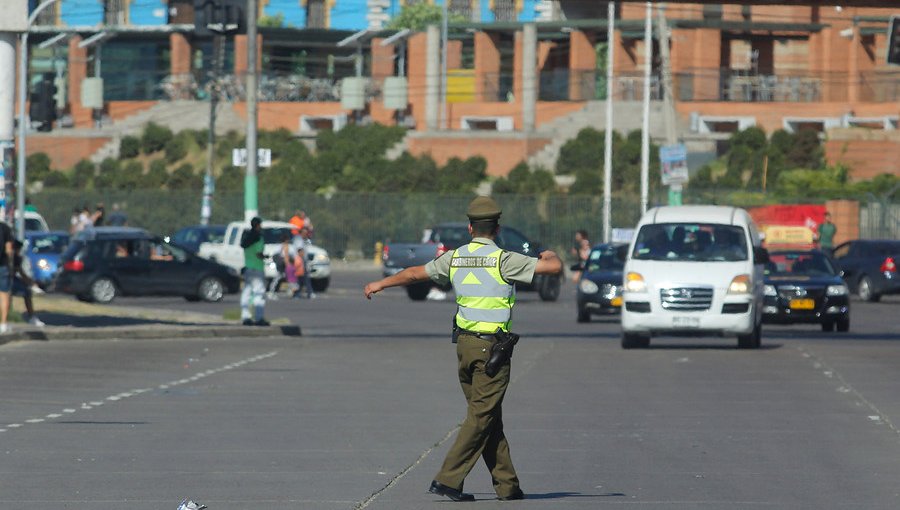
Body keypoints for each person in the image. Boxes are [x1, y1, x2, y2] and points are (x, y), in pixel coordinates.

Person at [364, 196, 562, 502]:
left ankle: (507, 485)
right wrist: (548, 252)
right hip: (492, 349)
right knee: (481, 417)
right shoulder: (503, 259)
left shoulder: (455, 258)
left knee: (487, 415)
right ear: (497, 229)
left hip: (465, 347)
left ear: (470, 228)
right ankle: (448, 479)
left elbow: (415, 273)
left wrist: (381, 284)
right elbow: (553, 267)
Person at [239, 217, 269, 326]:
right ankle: (259, 317)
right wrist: (265, 257)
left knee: (247, 292)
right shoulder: (258, 238)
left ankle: (245, 316)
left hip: (248, 267)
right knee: (259, 293)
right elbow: (258, 253)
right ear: (258, 225)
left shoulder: (246, 237)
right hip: (257, 268)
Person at [11, 240, 45, 327]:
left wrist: (30, 283)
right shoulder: (14, 257)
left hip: (12, 279)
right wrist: (31, 283)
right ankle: (32, 317)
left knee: (26, 291)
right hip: (8, 280)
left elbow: (20, 272)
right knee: (26, 292)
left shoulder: (16, 258)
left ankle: (32, 317)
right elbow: (21, 273)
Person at [292, 227, 315, 299]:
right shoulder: (299, 240)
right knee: (304, 278)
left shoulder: (302, 240)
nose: (306, 234)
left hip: (300, 261)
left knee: (301, 279)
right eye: (304, 233)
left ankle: (298, 294)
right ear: (301, 233)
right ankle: (309, 293)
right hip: (300, 261)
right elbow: (300, 251)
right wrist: (302, 262)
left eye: (306, 233)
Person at [0, 221, 13, 333]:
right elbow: (9, 250)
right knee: (4, 294)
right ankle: (3, 323)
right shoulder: (5, 228)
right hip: (2, 265)